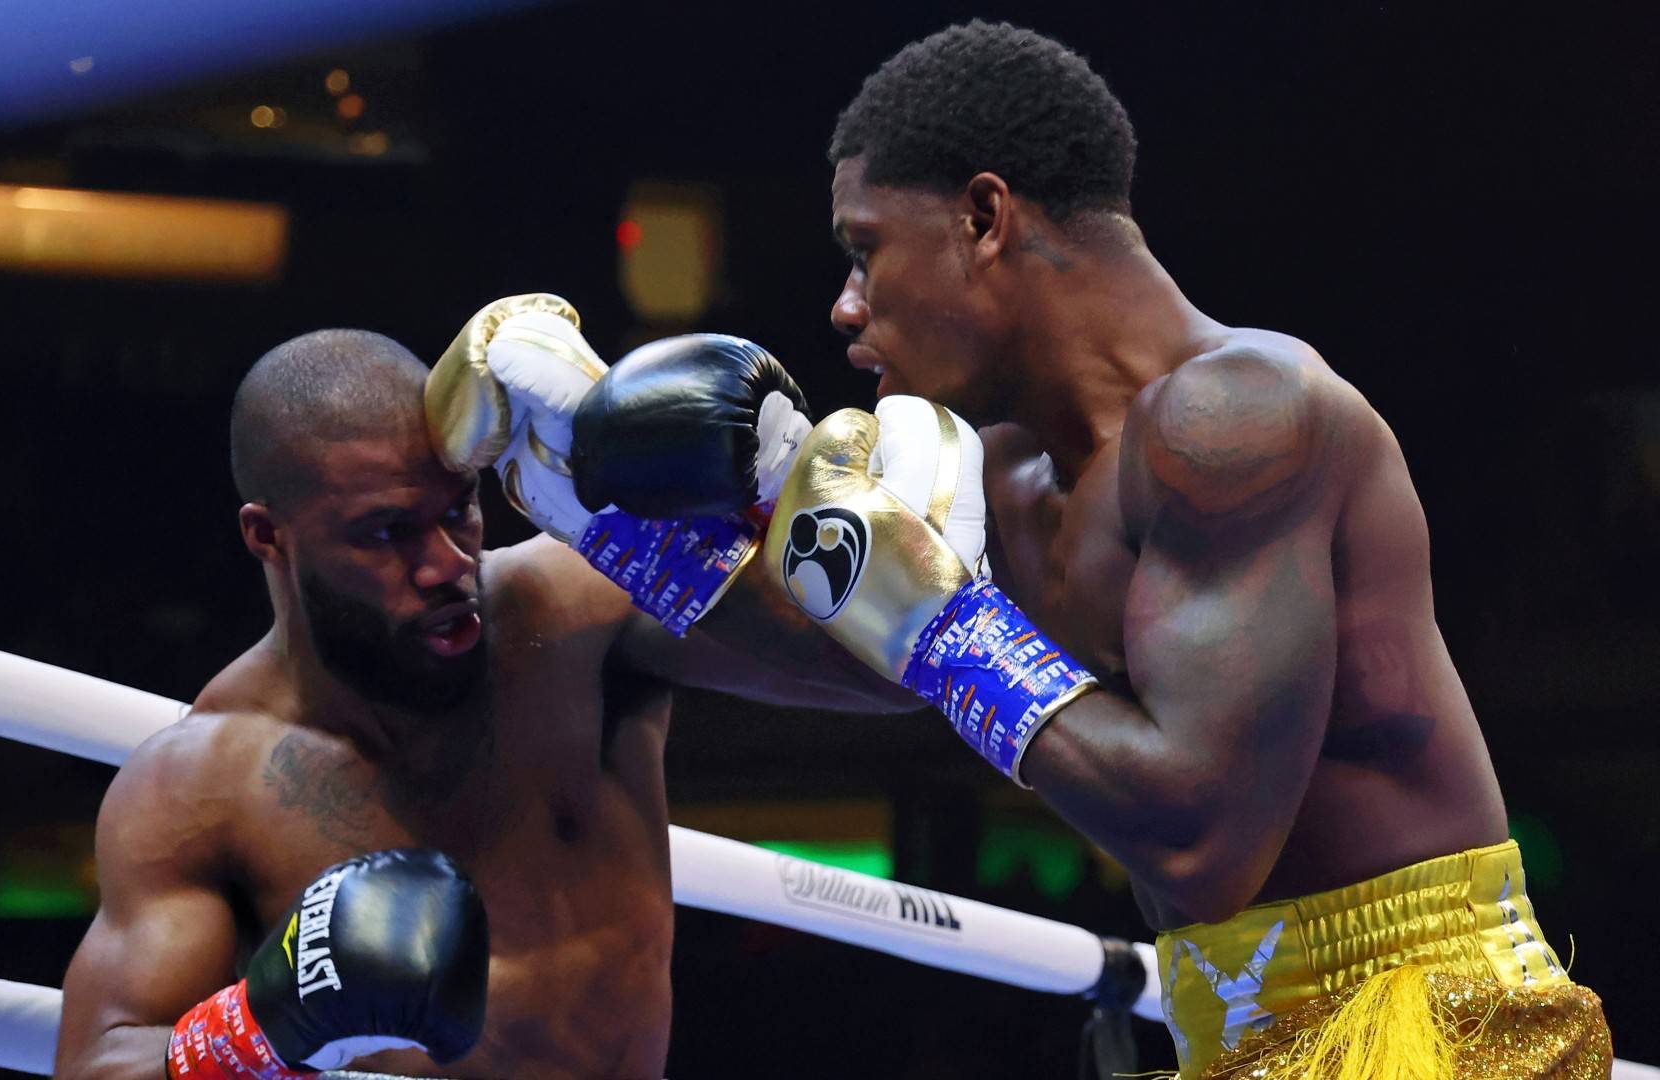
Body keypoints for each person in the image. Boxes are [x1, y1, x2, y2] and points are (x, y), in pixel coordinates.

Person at [567, 21, 1612, 1080]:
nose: (843, 304)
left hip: (1433, 1029)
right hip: (1235, 1040)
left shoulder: (1241, 418)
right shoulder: (1009, 473)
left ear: (983, 218)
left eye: (864, 247)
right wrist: (582, 494)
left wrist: (939, 621)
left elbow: (1203, 841)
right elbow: (853, 647)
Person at [54, 310, 905, 1080]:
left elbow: (890, 675)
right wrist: (263, 1025)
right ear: (268, 536)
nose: (447, 563)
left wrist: (691, 544)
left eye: (458, 510)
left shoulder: (574, 609)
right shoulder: (202, 784)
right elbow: (99, 1062)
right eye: (387, 533)